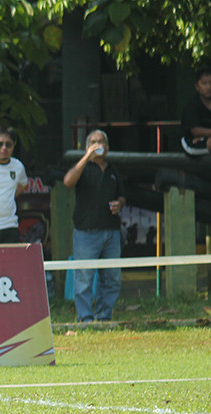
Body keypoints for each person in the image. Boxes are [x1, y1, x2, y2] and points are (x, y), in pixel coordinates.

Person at [62, 129, 126, 322]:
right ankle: (85, 319)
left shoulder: (113, 170)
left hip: (111, 232)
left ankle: (104, 316)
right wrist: (86, 157)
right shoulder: (82, 168)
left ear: (107, 147)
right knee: (84, 279)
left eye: (101, 142)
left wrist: (119, 204)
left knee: (112, 278)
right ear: (86, 147)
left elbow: (122, 195)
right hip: (86, 233)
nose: (98, 145)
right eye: (93, 142)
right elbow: (68, 182)